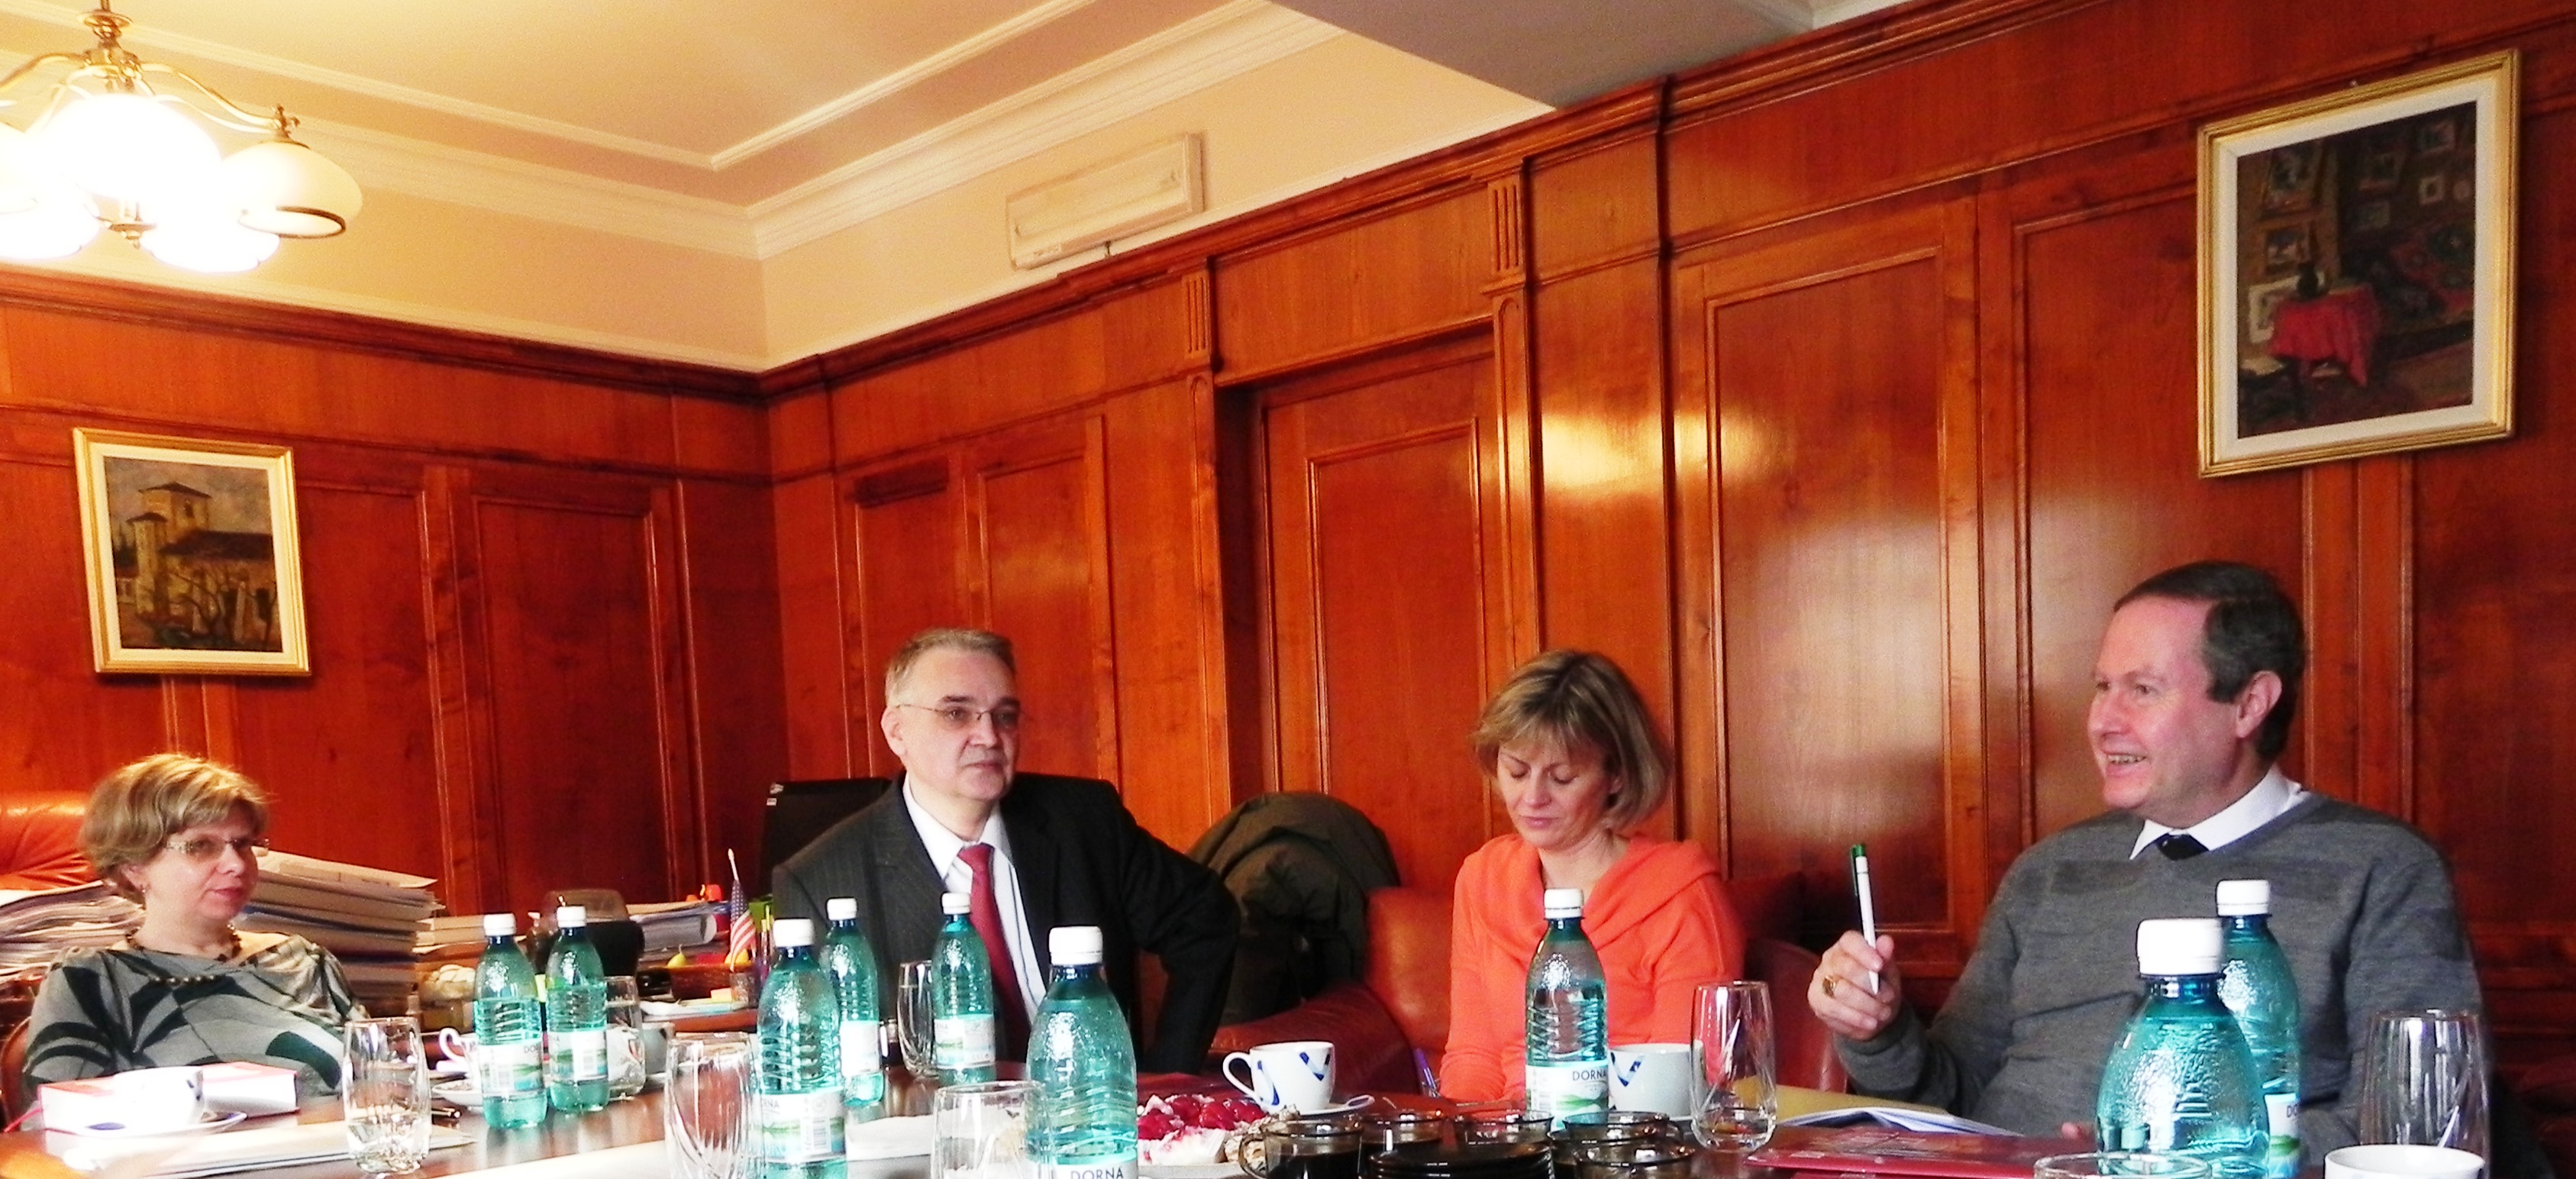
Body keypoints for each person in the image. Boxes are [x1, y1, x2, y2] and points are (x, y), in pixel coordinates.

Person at [1808, 560, 2479, 1159]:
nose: (2103, 721)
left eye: (2143, 690)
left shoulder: (2382, 866)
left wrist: (2179, 1153)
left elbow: (2411, 1123)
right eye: (2103, 687)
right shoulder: (2050, 871)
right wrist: (1876, 1029)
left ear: (2248, 704)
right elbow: (1947, 1092)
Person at [772, 627, 1237, 1074]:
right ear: (897, 732)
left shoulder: (1083, 820)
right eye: (957, 714)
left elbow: (1206, 917)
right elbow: (819, 1061)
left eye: (1005, 716)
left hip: (1091, 1109)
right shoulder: (820, 879)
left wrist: (1169, 1074)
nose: (990, 737)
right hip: (938, 1122)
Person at [1440, 650, 1745, 1101]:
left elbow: (1685, 1085)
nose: (1532, 797)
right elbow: (1474, 1056)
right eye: (1517, 771)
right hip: (1508, 1135)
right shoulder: (1482, 879)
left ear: (1616, 775)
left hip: (1631, 1134)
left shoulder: (1682, 892)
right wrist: (1468, 1134)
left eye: (1562, 778)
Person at [22, 754, 360, 1099]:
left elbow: (382, 1081)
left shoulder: (304, 961)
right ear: (133, 867)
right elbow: (58, 1117)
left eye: (242, 844)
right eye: (200, 846)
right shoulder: (91, 980)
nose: (235, 864)